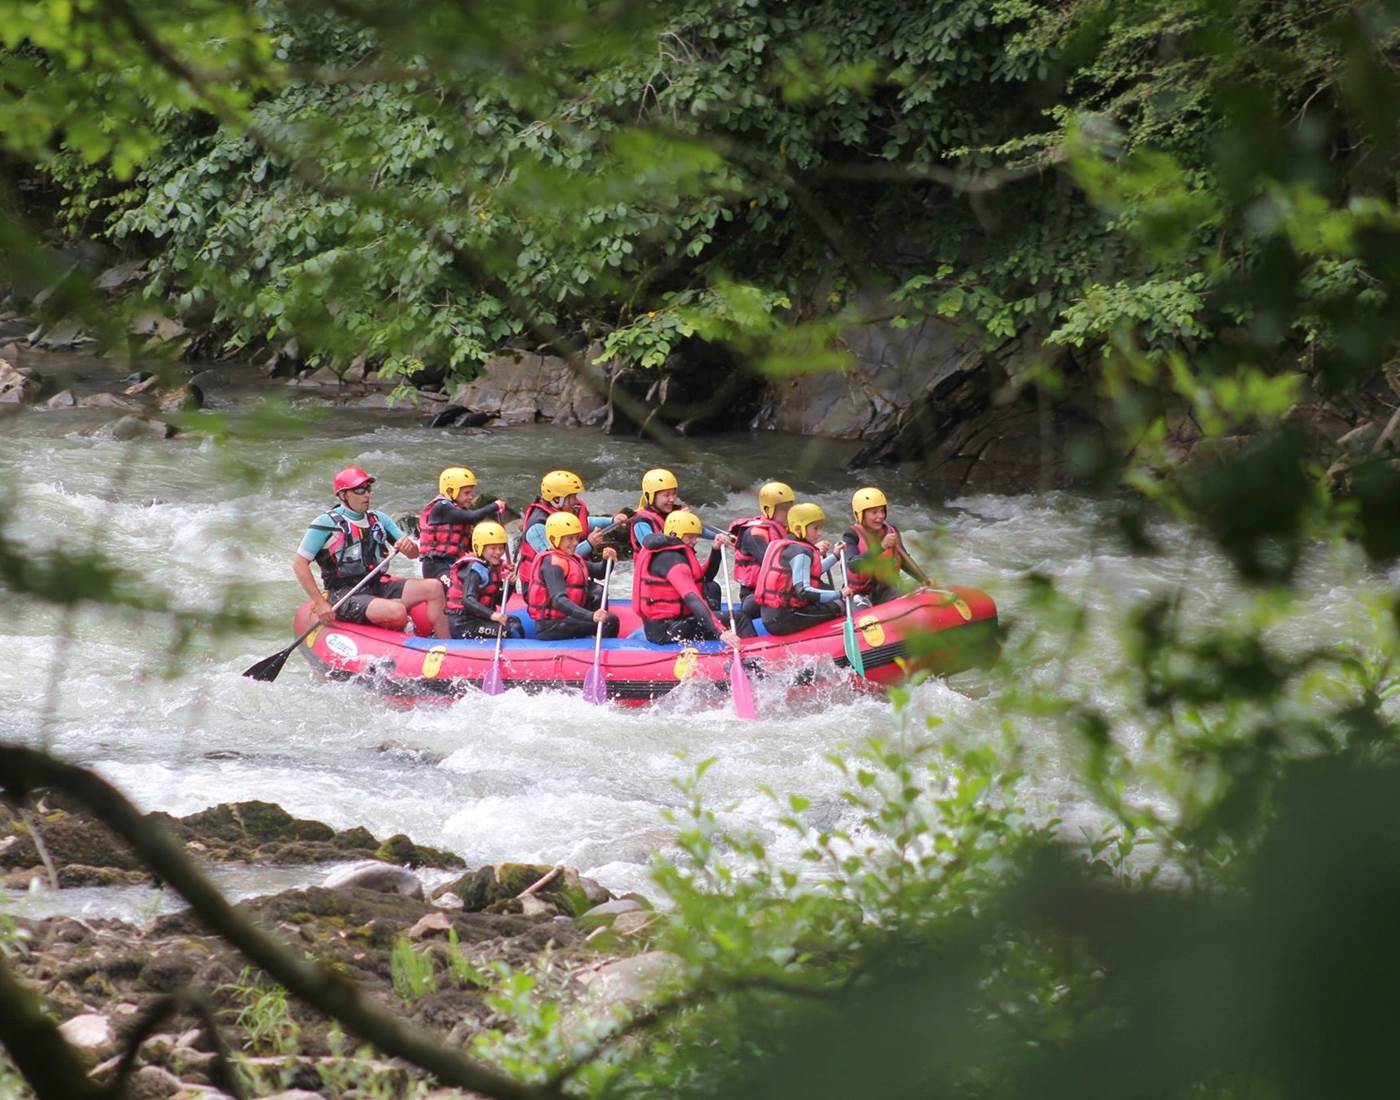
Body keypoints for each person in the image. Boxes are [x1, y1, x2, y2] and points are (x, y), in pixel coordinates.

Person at [293, 466, 448, 637]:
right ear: (343, 495)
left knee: (434, 587)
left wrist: (408, 546)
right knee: (397, 611)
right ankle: (407, 642)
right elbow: (299, 564)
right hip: (344, 593)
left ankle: (446, 644)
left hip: (376, 584)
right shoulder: (326, 523)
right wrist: (321, 604)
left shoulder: (379, 519)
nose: (366, 494)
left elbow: (414, 554)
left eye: (368, 489)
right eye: (359, 490)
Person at [633, 511, 755, 646]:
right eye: (690, 537)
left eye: (696, 537)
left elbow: (705, 578)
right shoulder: (672, 560)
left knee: (712, 590)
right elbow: (692, 599)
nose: (695, 541)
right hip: (667, 630)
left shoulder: (675, 551)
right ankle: (754, 659)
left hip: (671, 623)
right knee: (739, 619)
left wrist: (715, 551)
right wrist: (720, 631)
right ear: (674, 535)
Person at [753, 502, 852, 636]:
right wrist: (839, 594)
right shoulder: (800, 552)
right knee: (839, 605)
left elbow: (811, 573)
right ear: (799, 529)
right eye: (815, 528)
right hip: (784, 618)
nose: (819, 533)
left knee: (829, 596)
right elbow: (803, 592)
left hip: (772, 616)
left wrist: (834, 556)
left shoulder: (788, 545)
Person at [518, 470, 628, 588]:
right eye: (572, 497)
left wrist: (612, 521)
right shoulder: (536, 526)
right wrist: (589, 544)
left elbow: (585, 523)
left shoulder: (563, 512)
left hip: (564, 577)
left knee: (597, 592)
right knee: (596, 593)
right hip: (541, 585)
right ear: (557, 499)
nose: (576, 501)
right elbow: (555, 559)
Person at [525, 512, 621, 641]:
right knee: (610, 621)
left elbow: (599, 572)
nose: (575, 543)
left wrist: (607, 561)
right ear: (554, 539)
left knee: (597, 593)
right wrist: (590, 616)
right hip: (550, 627)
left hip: (566, 620)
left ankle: (589, 640)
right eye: (569, 539)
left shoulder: (571, 558)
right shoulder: (552, 564)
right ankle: (595, 651)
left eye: (576, 538)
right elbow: (559, 600)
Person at [842, 487, 932, 605]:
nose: (880, 516)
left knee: (905, 600)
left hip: (887, 590)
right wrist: (882, 547)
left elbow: (904, 561)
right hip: (860, 594)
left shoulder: (891, 531)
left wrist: (923, 580)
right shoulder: (851, 535)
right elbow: (853, 565)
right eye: (874, 512)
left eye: (882, 511)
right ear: (860, 514)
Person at [417, 467, 506, 582]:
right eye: (466, 493)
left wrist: (498, 563)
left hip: (454, 564)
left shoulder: (460, 511)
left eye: (471, 493)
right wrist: (494, 506)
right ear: (450, 492)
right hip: (436, 566)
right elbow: (472, 517)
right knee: (455, 589)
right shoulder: (442, 507)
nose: (470, 497)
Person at [445, 521, 525, 640]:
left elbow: (498, 600)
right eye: (493, 548)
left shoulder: (491, 567)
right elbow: (467, 600)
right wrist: (492, 615)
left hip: (478, 618)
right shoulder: (474, 570)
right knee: (512, 630)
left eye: (501, 548)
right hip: (463, 623)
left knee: (515, 621)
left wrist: (510, 585)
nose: (498, 552)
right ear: (479, 548)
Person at [628, 467, 735, 554]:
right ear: (650, 496)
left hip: (680, 566)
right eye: (666, 495)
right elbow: (650, 545)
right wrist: (678, 526)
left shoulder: (677, 511)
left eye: (674, 494)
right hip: (656, 573)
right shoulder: (641, 521)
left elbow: (697, 530)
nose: (672, 499)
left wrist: (717, 536)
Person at [728, 481, 795, 603]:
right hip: (754, 594)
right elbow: (773, 564)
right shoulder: (754, 535)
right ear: (768, 509)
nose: (789, 514)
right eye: (784, 509)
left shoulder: (788, 530)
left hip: (781, 589)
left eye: (791, 509)